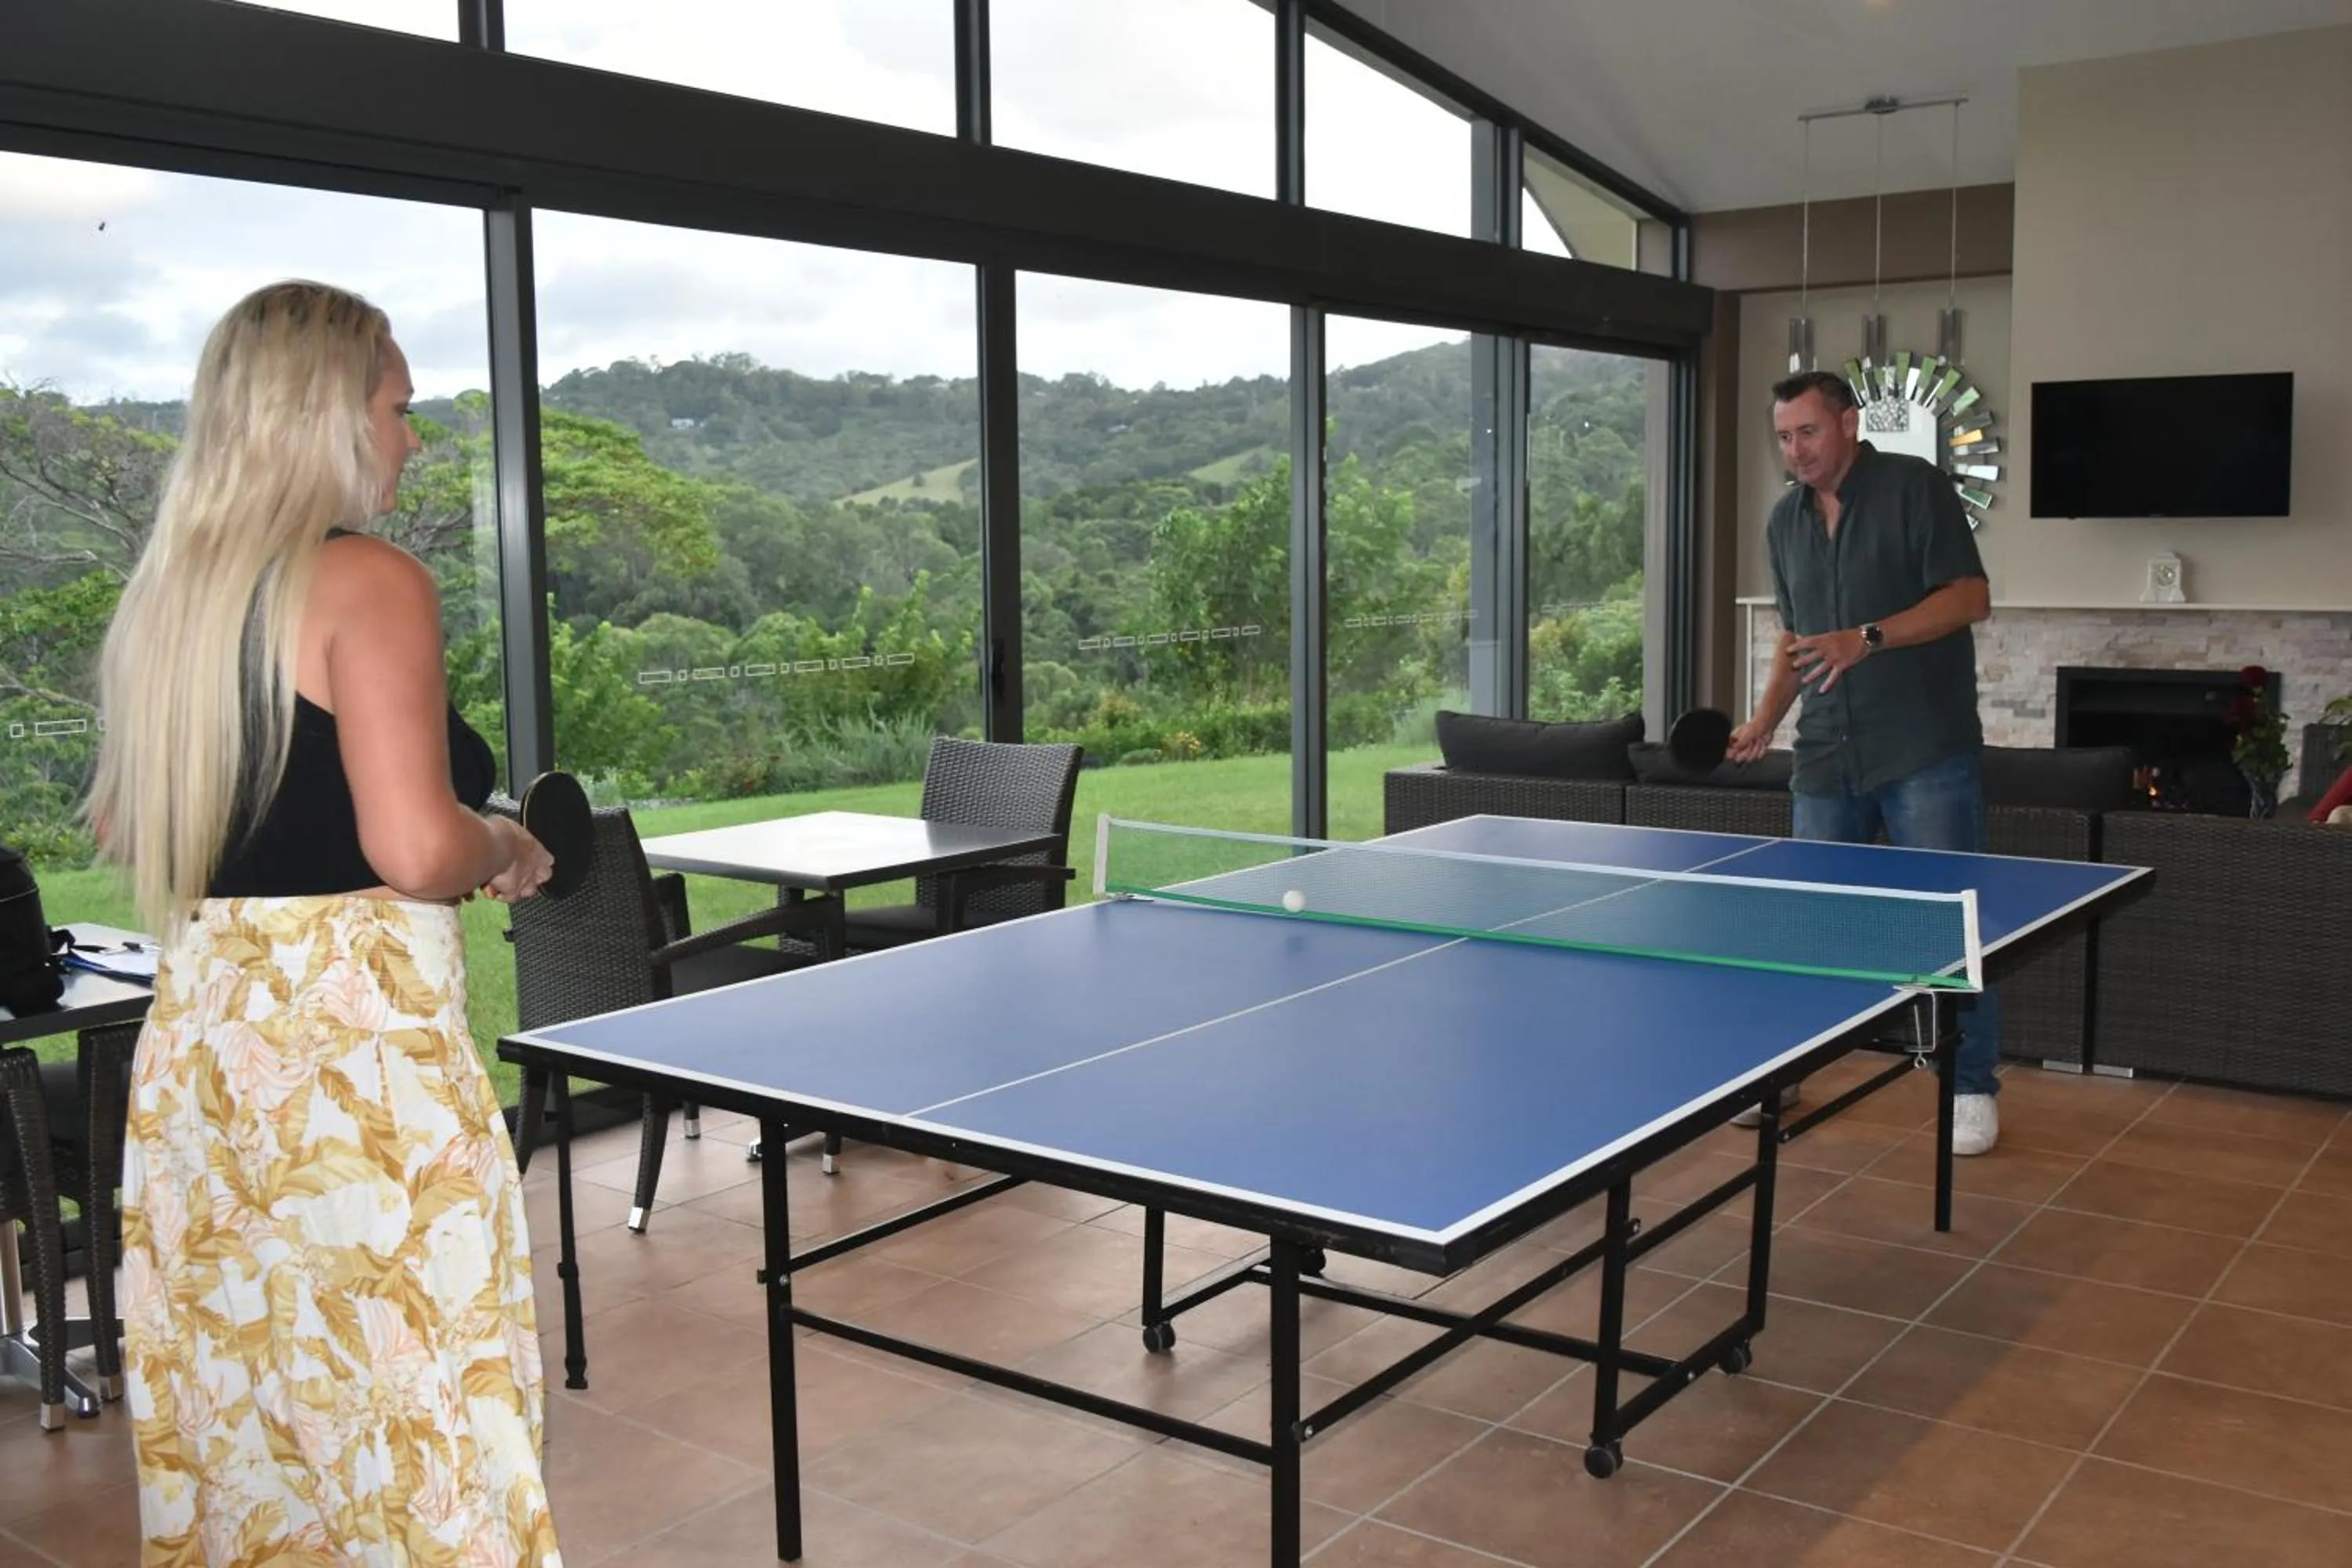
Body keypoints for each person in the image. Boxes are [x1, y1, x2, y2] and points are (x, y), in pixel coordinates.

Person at [86, 280, 564, 1563]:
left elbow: (131, 831)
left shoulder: (172, 601)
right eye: (400, 408)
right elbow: (412, 849)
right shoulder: (365, 581)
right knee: (419, 1417)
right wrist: (506, 843)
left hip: (204, 1059)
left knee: (252, 1417)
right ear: (330, 419)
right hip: (354, 1064)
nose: (416, 437)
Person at [1728, 368, 2002, 1156]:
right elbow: (1798, 642)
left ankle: (1972, 1083)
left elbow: (1970, 597)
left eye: (1808, 431)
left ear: (1848, 423)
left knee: (1952, 928)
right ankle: (1786, 1070)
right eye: (1784, 437)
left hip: (1923, 747)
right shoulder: (1785, 523)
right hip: (1824, 754)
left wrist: (1868, 637)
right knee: (1811, 928)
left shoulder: (1915, 487)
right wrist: (1763, 720)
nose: (1796, 450)